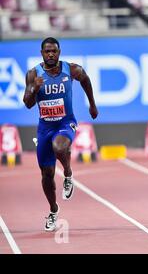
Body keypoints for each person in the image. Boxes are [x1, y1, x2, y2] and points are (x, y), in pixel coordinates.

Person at [23, 37, 98, 231]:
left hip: (66, 122)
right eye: (47, 51)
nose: (50, 54)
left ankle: (67, 173)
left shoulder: (71, 69)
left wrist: (92, 104)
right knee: (46, 175)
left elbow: (86, 79)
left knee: (60, 145)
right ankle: (53, 210)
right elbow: (28, 103)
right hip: (45, 128)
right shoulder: (33, 74)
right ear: (42, 53)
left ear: (59, 52)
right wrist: (33, 88)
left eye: (54, 51)